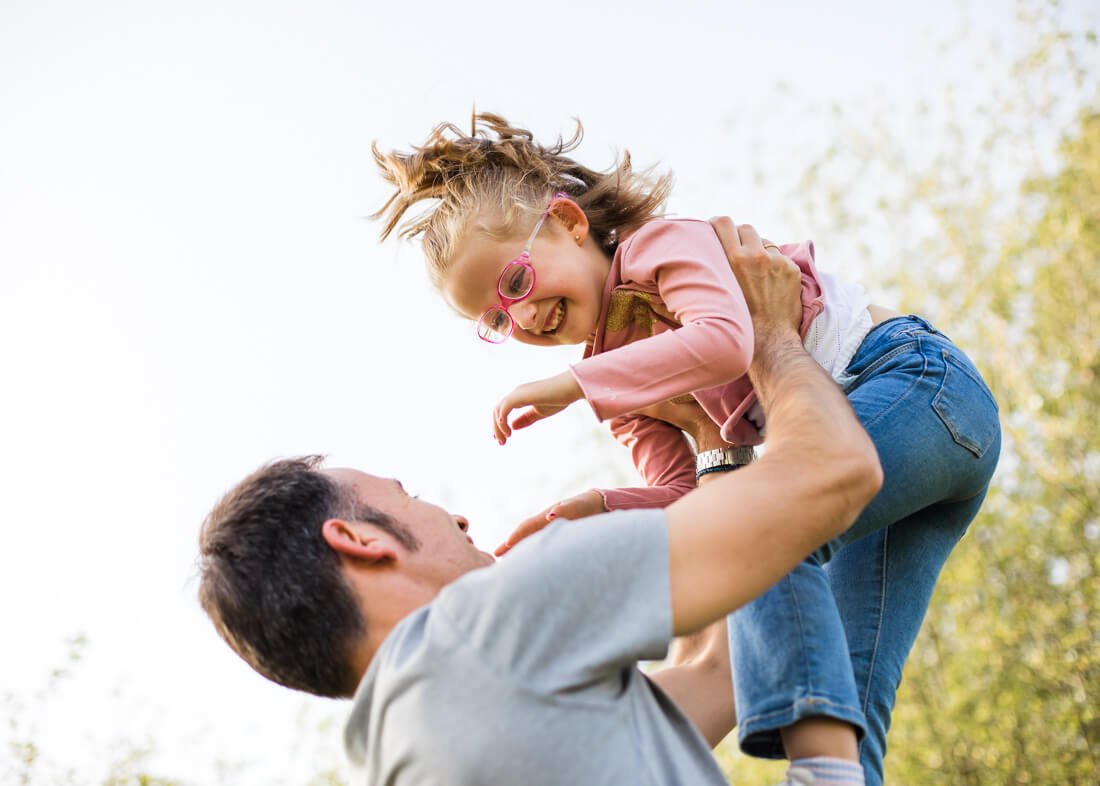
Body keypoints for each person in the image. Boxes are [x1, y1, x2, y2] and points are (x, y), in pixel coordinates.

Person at [371, 113, 1002, 785]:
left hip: (916, 388)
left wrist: (575, 384)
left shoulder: (658, 250)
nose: (522, 318)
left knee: (763, 535)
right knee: (850, 677)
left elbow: (727, 339)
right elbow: (692, 497)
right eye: (495, 320)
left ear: (570, 224)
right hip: (883, 465)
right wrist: (598, 509)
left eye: (517, 283)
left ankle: (824, 771)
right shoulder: (621, 389)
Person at [198, 237, 883, 785]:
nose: (457, 519)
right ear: (358, 538)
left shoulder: (404, 751)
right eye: (403, 495)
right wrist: (767, 337)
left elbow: (716, 671)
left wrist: (709, 440)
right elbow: (837, 471)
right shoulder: (494, 621)